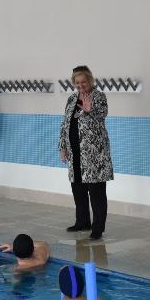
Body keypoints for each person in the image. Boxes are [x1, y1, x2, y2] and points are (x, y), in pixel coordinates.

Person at [58, 66, 114, 240]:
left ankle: (98, 227)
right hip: (75, 152)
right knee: (78, 188)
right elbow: (65, 123)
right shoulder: (72, 98)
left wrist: (90, 110)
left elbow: (103, 114)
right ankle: (82, 221)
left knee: (96, 192)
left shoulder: (99, 96)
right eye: (77, 82)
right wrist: (62, 146)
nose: (81, 85)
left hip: (93, 153)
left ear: (90, 80)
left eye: (84, 81)